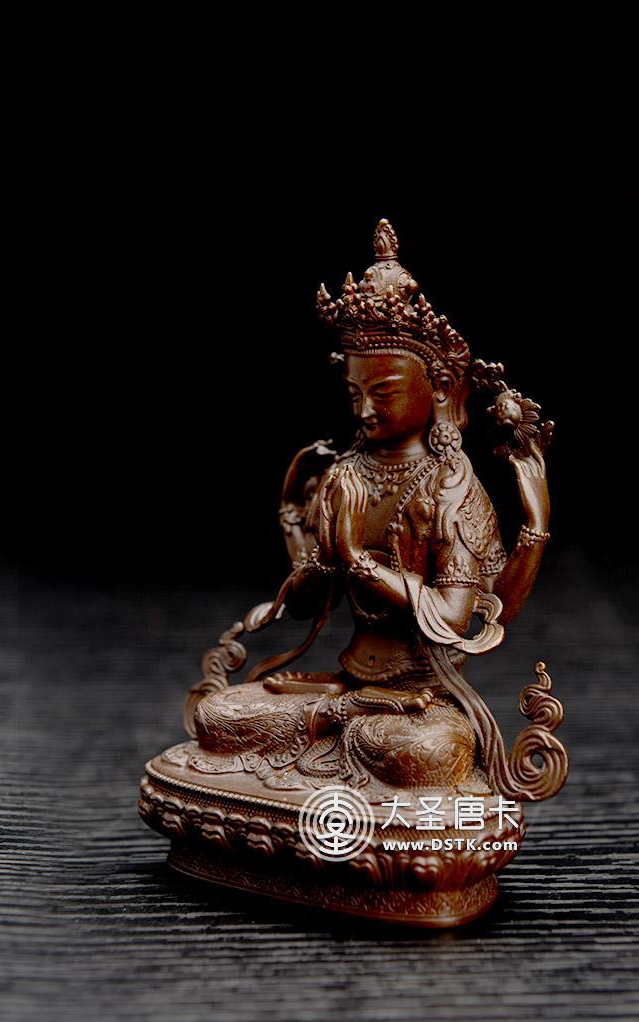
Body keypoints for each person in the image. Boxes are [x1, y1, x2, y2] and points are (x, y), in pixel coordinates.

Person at [171, 220, 552, 798]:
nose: (365, 410)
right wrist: (309, 543)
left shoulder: (451, 487)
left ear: (439, 389)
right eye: (355, 394)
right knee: (220, 714)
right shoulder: (344, 476)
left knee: (422, 753)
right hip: (348, 684)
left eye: (384, 392)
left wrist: (359, 560)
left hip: (421, 699)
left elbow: (452, 619)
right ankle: (335, 721)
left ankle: (336, 732)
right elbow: (309, 602)